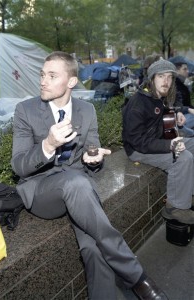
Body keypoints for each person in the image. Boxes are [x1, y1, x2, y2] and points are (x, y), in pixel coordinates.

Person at [11, 51, 168, 300]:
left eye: (52, 76)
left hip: (79, 189)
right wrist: (48, 145)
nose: (43, 80)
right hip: (42, 191)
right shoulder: (25, 110)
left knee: (93, 246)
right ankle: (138, 277)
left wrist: (93, 160)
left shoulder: (86, 110)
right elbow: (19, 166)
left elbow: (92, 153)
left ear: (71, 82)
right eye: (42, 74)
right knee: (76, 182)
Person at [122, 58, 194, 225]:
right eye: (161, 76)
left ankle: (188, 194)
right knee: (184, 158)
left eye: (169, 77)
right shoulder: (137, 104)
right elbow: (137, 141)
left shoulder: (161, 94)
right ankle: (174, 207)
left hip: (161, 139)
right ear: (152, 78)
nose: (166, 81)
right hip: (138, 149)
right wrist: (170, 145)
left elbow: (174, 102)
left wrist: (176, 112)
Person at [173, 60, 194, 137]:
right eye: (184, 69)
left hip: (182, 113)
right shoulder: (175, 84)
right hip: (179, 116)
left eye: (187, 69)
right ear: (177, 71)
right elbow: (175, 105)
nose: (187, 71)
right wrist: (188, 109)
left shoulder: (182, 83)